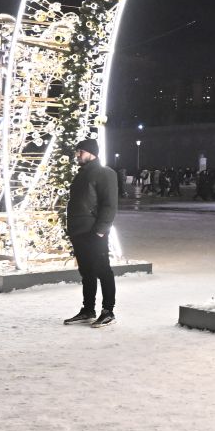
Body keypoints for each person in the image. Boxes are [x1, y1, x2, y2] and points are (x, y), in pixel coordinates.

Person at [63, 138, 119, 326]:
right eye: (77, 151)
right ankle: (88, 309)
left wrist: (100, 231)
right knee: (87, 272)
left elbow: (109, 204)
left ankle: (108, 310)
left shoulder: (105, 173)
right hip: (78, 231)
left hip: (93, 231)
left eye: (81, 152)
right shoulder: (81, 174)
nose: (77, 155)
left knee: (102, 270)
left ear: (92, 153)